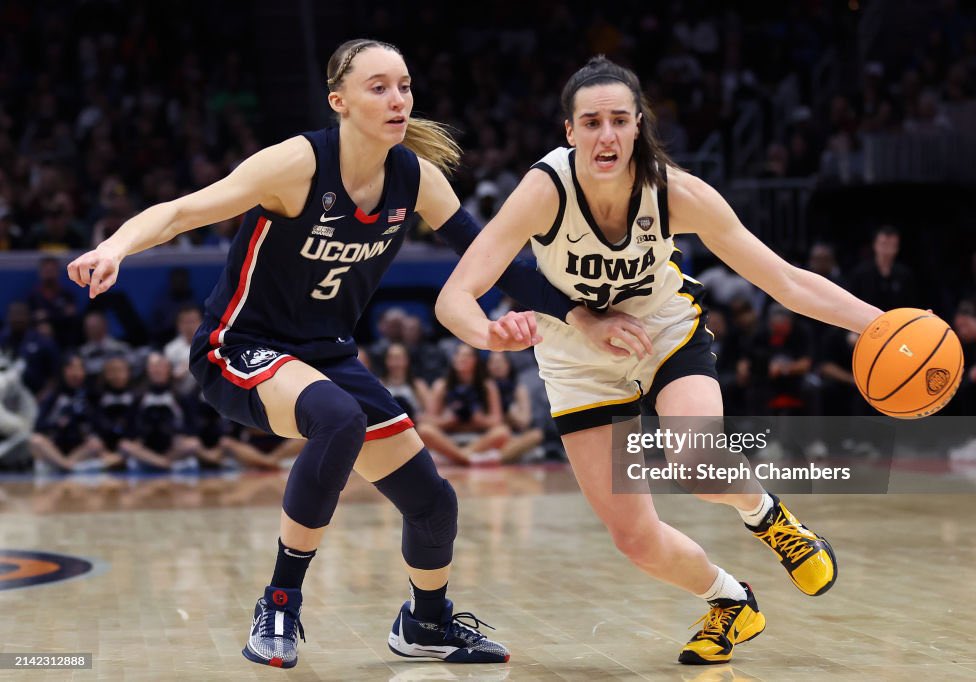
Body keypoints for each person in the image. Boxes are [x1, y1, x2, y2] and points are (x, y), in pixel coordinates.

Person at [66, 38, 602, 670]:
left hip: (328, 356)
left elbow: (495, 261)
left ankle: (426, 623)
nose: (397, 98)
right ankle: (279, 600)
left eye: (403, 85)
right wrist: (115, 249)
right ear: (338, 102)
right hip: (237, 348)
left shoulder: (416, 178)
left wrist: (585, 315)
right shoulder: (296, 165)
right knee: (339, 418)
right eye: (378, 87)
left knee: (433, 502)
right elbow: (182, 211)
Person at [436, 56, 883, 666]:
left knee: (695, 459)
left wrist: (881, 324)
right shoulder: (545, 191)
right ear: (569, 132)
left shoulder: (675, 193)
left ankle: (770, 519)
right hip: (576, 361)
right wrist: (493, 336)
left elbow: (785, 281)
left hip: (664, 333)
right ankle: (730, 600)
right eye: (591, 122)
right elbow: (453, 299)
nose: (607, 135)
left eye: (620, 120)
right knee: (635, 540)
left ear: (640, 126)